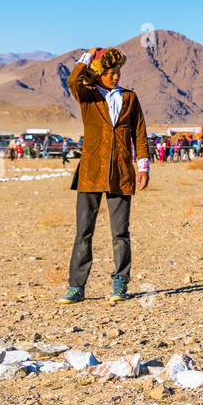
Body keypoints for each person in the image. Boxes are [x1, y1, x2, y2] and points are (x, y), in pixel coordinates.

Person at [58, 46, 151, 305]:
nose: (115, 76)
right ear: (99, 73)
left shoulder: (130, 98)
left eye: (117, 71)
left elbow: (140, 134)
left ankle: (120, 281)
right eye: (109, 72)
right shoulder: (87, 96)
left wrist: (143, 167)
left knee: (120, 232)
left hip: (121, 172)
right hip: (91, 171)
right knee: (83, 231)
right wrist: (88, 56)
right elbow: (72, 79)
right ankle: (77, 286)